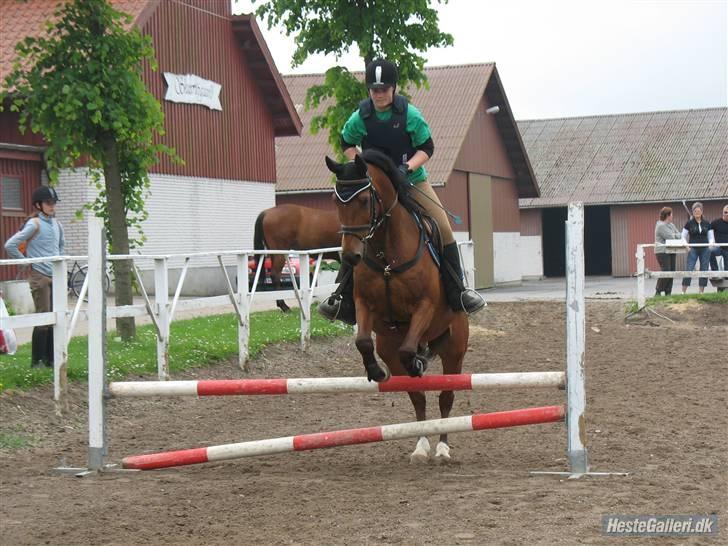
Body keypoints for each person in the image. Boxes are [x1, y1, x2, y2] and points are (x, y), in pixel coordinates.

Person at [318, 59, 485, 324]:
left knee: (442, 228)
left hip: (412, 181)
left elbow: (427, 148)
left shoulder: (410, 115)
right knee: (355, 233)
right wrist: (361, 165)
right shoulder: (360, 117)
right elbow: (347, 142)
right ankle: (342, 296)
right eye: (374, 89)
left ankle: (458, 292)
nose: (379, 93)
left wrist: (406, 167)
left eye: (384, 88)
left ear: (393, 88)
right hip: (374, 185)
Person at [4, 186, 64, 368]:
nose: (52, 206)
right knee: (43, 316)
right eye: (48, 203)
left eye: (53, 203)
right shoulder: (34, 224)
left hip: (55, 275)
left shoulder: (57, 224)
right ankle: (37, 361)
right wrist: (24, 261)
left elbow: (61, 247)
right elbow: (10, 244)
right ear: (39, 205)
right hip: (40, 276)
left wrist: (59, 265)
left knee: (57, 318)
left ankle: (51, 360)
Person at [681, 201, 714, 294]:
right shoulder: (689, 223)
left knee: (704, 269)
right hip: (693, 249)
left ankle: (701, 292)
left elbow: (711, 237)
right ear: (692, 212)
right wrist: (686, 245)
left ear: (702, 211)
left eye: (699, 211)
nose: (697, 213)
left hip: (705, 249)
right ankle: (683, 292)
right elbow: (682, 236)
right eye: (695, 211)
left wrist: (710, 245)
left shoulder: (707, 223)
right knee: (689, 268)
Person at [653, 206, 681, 296]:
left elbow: (679, 235)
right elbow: (671, 237)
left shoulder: (671, 225)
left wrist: (675, 235)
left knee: (672, 271)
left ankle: (668, 292)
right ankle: (658, 290)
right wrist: (675, 235)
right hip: (662, 252)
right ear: (668, 215)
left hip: (672, 250)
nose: (672, 216)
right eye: (671, 214)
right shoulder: (660, 225)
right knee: (666, 270)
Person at [709, 203, 728, 278]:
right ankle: (715, 273)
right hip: (719, 247)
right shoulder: (715, 223)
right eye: (725, 212)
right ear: (722, 213)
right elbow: (707, 229)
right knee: (710, 251)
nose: (727, 214)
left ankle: (726, 279)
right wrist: (711, 241)